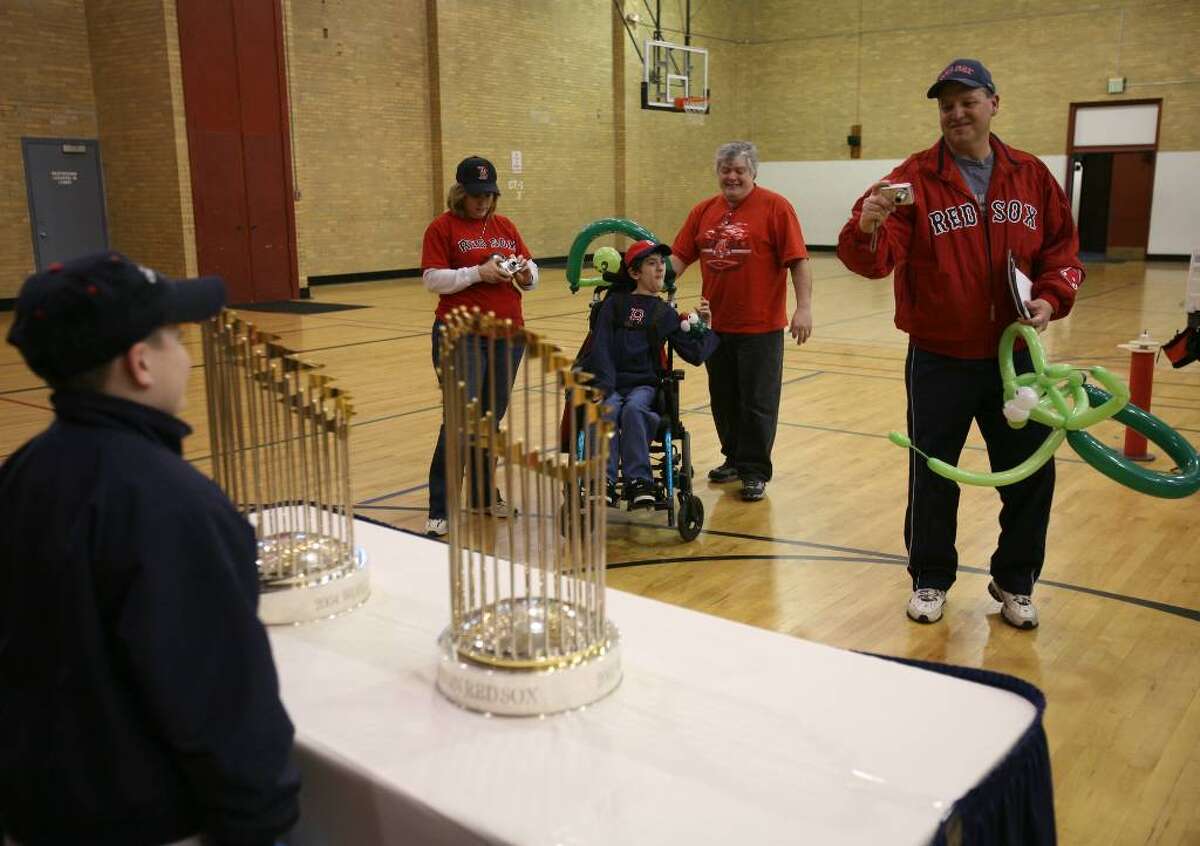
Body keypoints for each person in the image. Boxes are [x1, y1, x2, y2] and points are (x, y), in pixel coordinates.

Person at [0, 253, 300, 845]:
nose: (187, 357)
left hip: (39, 809)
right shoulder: (172, 505)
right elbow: (222, 708)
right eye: (175, 340)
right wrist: (265, 825)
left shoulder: (23, 470)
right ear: (140, 364)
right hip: (142, 820)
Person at [836, 58, 1085, 630]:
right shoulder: (911, 180)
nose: (956, 113)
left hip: (1016, 359)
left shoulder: (1030, 175)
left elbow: (1062, 251)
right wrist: (869, 224)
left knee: (1030, 474)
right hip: (939, 358)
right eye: (946, 105)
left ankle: (1015, 581)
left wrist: (1050, 299)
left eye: (967, 101)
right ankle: (930, 579)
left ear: (993, 103)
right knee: (934, 475)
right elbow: (869, 262)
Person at [670, 141, 814, 502]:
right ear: (718, 173)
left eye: (739, 170)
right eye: (725, 170)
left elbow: (798, 260)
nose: (732, 176)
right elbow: (678, 258)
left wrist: (804, 307)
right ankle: (733, 458)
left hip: (760, 327)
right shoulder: (703, 211)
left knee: (757, 400)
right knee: (723, 398)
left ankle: (754, 470)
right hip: (714, 326)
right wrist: (644, 282)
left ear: (753, 173)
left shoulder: (777, 208)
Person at [423, 155, 537, 537]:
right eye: (476, 195)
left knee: (489, 419)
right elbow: (433, 279)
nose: (483, 202)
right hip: (461, 334)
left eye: (489, 194)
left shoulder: (505, 225)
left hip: (507, 335)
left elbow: (532, 273)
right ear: (460, 192)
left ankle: (485, 495)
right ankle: (441, 506)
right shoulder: (442, 228)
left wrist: (525, 273)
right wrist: (477, 273)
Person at [586, 240, 719, 508]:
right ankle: (604, 481)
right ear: (635, 273)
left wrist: (705, 326)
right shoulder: (612, 307)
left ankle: (640, 481)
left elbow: (694, 354)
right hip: (610, 384)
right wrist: (604, 388)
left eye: (661, 263)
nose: (660, 269)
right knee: (607, 411)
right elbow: (599, 348)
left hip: (643, 387)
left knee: (635, 410)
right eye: (651, 263)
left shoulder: (664, 313)